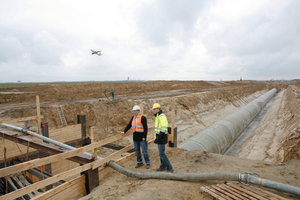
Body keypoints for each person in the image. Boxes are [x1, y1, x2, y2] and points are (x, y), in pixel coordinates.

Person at [152, 103, 174, 173]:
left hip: (161, 137)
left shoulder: (162, 116)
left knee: (161, 153)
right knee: (161, 153)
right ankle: (163, 166)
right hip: (159, 137)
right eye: (153, 109)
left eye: (155, 109)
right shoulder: (158, 117)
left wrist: (158, 137)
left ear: (158, 109)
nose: (153, 110)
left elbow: (164, 128)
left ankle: (170, 168)